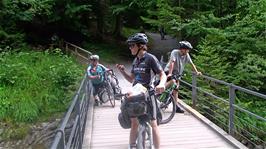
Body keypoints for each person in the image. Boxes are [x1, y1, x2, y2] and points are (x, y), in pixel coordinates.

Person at [116, 33, 166, 149]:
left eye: (132, 45)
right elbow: (131, 79)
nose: (130, 48)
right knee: (134, 123)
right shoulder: (135, 61)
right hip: (136, 94)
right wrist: (123, 72)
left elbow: (162, 74)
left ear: (140, 46)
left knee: (154, 124)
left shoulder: (150, 58)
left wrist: (162, 84)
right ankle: (132, 145)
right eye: (130, 46)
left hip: (148, 94)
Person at [164, 41, 202, 113]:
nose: (188, 51)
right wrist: (170, 73)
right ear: (182, 49)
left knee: (176, 89)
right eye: (187, 49)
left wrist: (196, 72)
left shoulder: (186, 55)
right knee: (172, 82)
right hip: (169, 71)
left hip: (177, 74)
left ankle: (176, 106)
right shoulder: (175, 52)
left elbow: (191, 64)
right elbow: (172, 62)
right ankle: (158, 91)